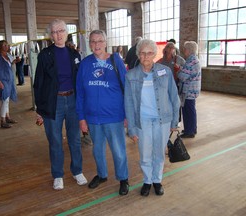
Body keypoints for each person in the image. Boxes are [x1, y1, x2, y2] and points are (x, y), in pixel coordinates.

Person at [33, 19, 87, 190]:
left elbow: (80, 82)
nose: (58, 35)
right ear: (51, 35)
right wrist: (40, 110)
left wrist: (82, 105)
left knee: (75, 139)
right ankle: (57, 174)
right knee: (55, 141)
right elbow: (39, 83)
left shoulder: (74, 55)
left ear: (66, 32)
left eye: (61, 31)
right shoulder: (45, 55)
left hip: (72, 100)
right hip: (53, 102)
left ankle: (77, 170)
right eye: (54, 32)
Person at [76, 30, 129, 196]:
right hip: (92, 117)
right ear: (89, 44)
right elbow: (80, 93)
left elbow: (126, 88)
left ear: (105, 42)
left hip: (114, 116)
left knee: (118, 150)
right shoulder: (85, 64)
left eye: (99, 41)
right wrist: (81, 118)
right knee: (97, 149)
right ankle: (102, 175)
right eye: (93, 41)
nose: (96, 44)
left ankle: (123, 178)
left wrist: (127, 114)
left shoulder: (116, 61)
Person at [124, 39, 180, 197]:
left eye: (149, 53)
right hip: (143, 121)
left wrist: (175, 121)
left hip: (163, 119)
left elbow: (174, 97)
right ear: (138, 55)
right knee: (145, 152)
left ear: (155, 54)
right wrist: (132, 128)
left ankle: (157, 180)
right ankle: (147, 180)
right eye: (142, 53)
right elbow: (128, 103)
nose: (146, 56)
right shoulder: (131, 75)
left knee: (159, 152)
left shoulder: (165, 71)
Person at [177, 41, 201, 138]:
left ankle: (189, 131)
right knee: (190, 110)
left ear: (189, 50)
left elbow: (183, 76)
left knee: (188, 110)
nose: (184, 51)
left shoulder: (191, 61)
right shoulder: (194, 59)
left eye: (185, 49)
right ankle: (191, 128)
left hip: (189, 90)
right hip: (192, 89)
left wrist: (179, 71)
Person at [0, 40, 18, 128]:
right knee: (5, 99)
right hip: (3, 80)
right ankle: (2, 120)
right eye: (4, 45)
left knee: (7, 100)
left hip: (9, 80)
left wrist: (16, 61)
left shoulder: (8, 56)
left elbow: (11, 63)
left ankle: (7, 117)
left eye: (7, 45)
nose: (6, 46)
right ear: (0, 47)